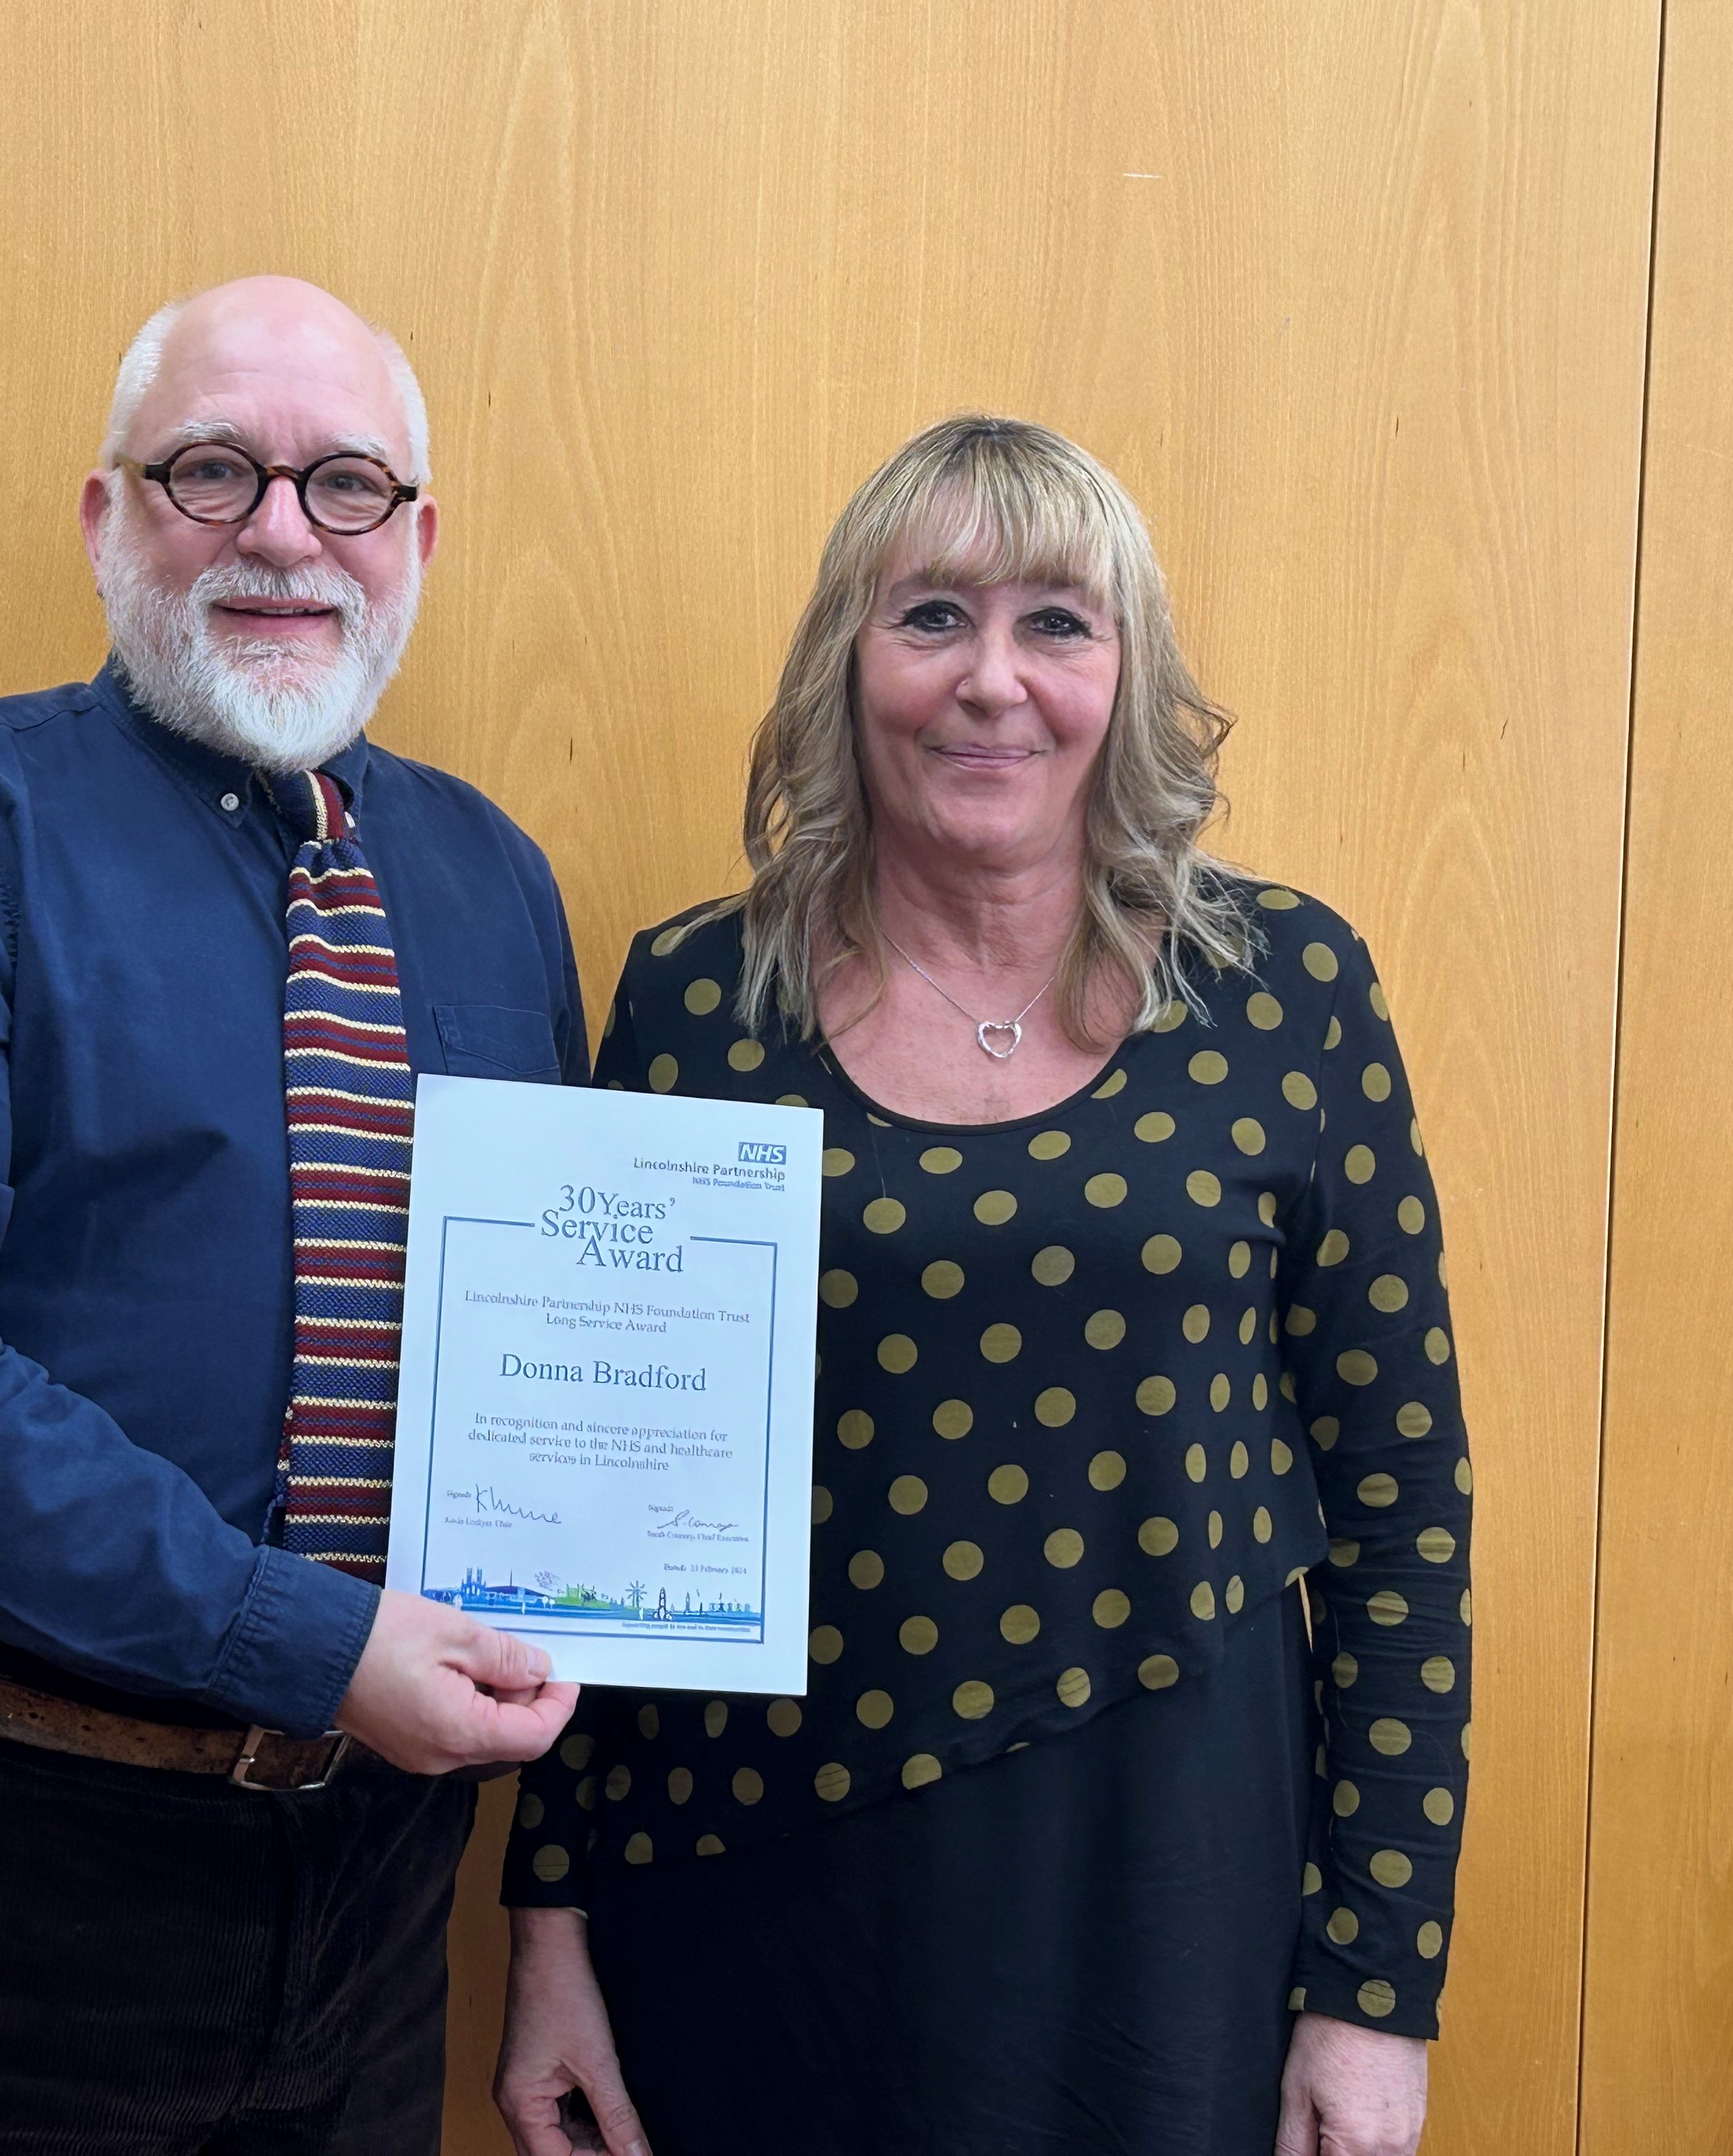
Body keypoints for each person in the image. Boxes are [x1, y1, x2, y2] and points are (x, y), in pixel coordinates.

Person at [493, 416, 1472, 2156]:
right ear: (844, 667)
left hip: (1167, 1884)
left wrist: (1374, 1991)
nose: (991, 683)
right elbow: (595, 1524)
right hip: (755, 1884)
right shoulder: (696, 1006)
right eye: (930, 616)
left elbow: (1404, 1513)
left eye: (1058, 624)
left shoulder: (1289, 990)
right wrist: (548, 1931)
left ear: (1130, 675)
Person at [0, 274, 584, 2155]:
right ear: (111, 514)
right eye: (215, 469)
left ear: (418, 541)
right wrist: (306, 1642)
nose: (284, 533)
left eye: (347, 484)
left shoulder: (493, 884)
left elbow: (560, 1363)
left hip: (379, 1884)